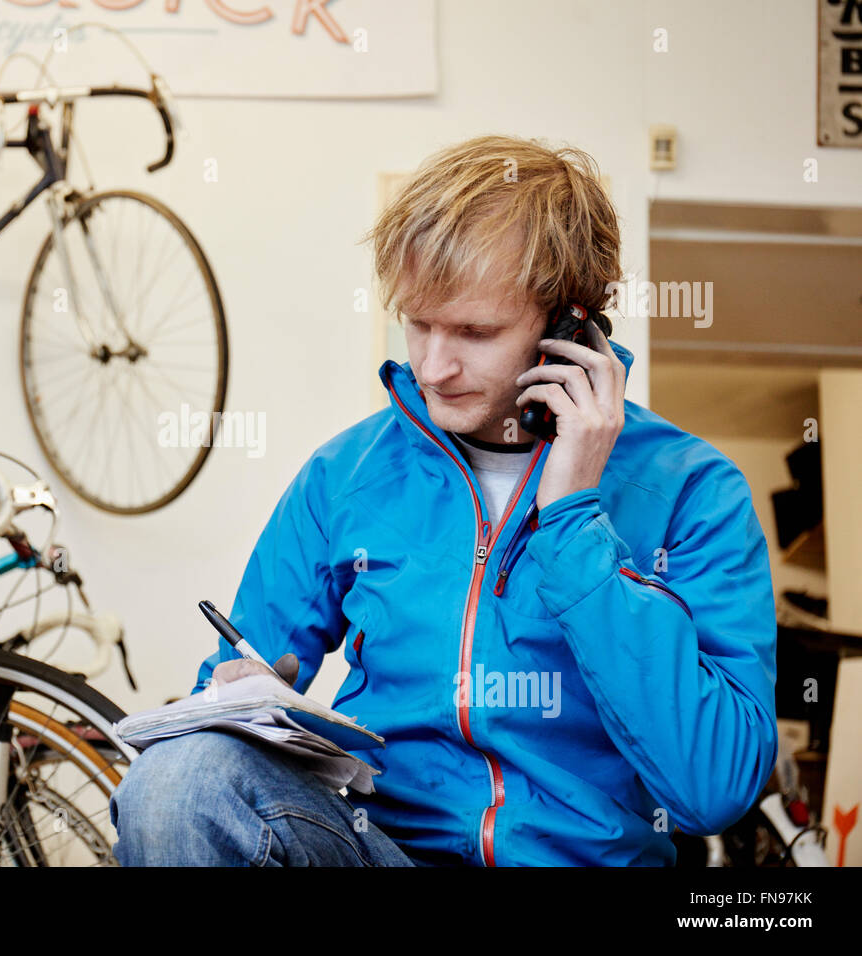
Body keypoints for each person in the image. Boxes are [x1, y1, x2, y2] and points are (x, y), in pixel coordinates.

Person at [108, 134, 778, 866]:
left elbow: (716, 789)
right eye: (418, 322)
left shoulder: (691, 491)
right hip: (384, 852)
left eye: (475, 332)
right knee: (177, 781)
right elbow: (230, 697)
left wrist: (572, 519)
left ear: (569, 326)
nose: (432, 365)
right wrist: (234, 694)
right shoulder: (346, 474)